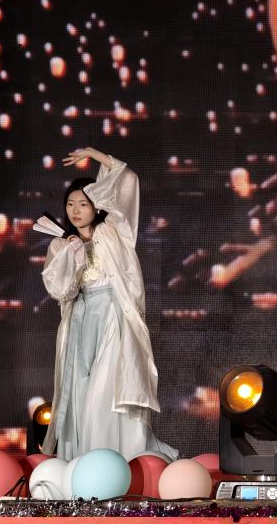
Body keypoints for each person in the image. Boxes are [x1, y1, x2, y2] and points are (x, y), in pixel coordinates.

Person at [41, 147, 176, 461]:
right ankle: (81, 461)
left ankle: (115, 458)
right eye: (71, 204)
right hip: (79, 320)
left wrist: (93, 153)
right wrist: (71, 254)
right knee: (79, 391)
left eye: (84, 203)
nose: (76, 210)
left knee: (106, 391)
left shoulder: (114, 231)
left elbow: (126, 182)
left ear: (96, 206)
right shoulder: (60, 244)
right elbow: (60, 290)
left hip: (113, 317)